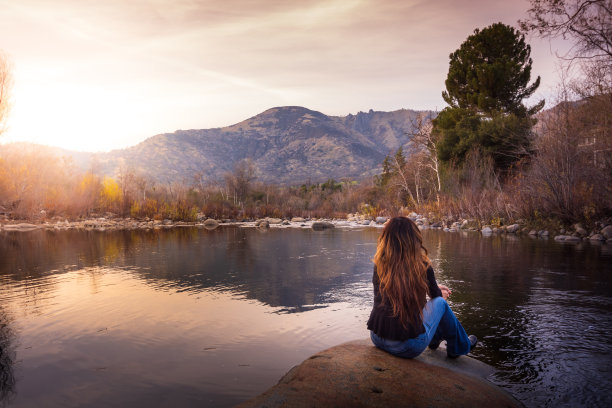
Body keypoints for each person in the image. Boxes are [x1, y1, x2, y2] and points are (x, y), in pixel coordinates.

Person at [367, 216, 477, 358]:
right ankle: (460, 347)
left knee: (429, 306)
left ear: (387, 239)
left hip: (377, 337)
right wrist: (439, 293)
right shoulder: (422, 265)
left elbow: (393, 292)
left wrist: (434, 287)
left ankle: (435, 338)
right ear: (414, 238)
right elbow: (435, 296)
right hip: (405, 346)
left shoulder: (380, 264)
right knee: (440, 303)